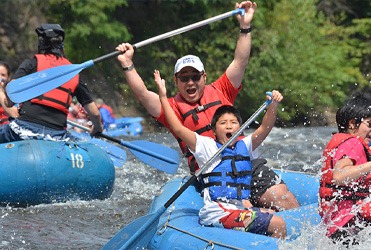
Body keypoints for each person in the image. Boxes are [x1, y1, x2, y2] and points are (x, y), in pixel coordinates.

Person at [116, 1, 300, 212]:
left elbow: (240, 61)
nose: (190, 82)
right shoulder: (172, 108)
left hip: (246, 162)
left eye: (195, 76)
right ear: (176, 82)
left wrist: (245, 26)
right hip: (214, 172)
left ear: (204, 77)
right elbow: (142, 94)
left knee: (286, 201)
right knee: (250, 212)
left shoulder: (222, 88)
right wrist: (128, 64)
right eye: (184, 78)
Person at [155, 69, 286, 238]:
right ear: (214, 130)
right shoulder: (205, 146)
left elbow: (265, 128)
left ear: (240, 128)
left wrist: (273, 105)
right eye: (223, 123)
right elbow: (178, 128)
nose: (229, 126)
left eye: (233, 122)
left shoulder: (244, 145)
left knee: (271, 213)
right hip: (217, 214)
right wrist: (163, 97)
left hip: (237, 209)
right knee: (278, 223)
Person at [0, 24, 103, 143]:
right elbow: (95, 114)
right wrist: (97, 128)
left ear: (40, 43)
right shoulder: (74, 74)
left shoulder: (31, 64)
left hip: (23, 130)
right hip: (56, 135)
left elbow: (9, 101)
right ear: (61, 46)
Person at [319, 91, 371, 245]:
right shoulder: (353, 143)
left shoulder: (345, 142)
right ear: (352, 123)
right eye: (369, 124)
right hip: (350, 227)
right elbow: (340, 175)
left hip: (339, 228)